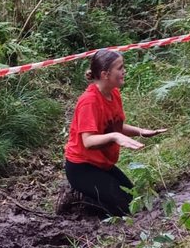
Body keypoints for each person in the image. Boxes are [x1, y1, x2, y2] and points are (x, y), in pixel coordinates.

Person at [63, 49, 165, 217]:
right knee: (123, 209)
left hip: (103, 165)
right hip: (82, 168)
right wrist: (115, 137)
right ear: (105, 74)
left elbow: (114, 127)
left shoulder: (114, 94)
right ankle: (85, 201)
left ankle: (95, 197)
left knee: (134, 200)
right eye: (120, 68)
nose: (124, 71)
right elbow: (88, 141)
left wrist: (141, 131)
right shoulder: (89, 101)